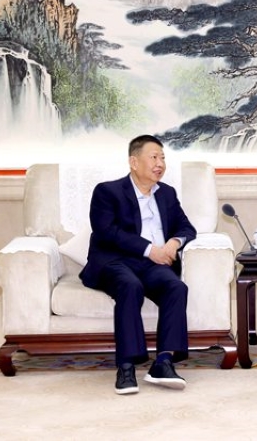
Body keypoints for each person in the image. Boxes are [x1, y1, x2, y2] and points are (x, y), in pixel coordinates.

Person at [80, 134, 197, 395]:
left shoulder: (166, 193)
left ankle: (163, 362)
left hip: (153, 264)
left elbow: (187, 227)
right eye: (154, 157)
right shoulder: (107, 191)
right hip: (115, 261)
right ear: (134, 162)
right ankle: (126, 366)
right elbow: (106, 231)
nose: (160, 164)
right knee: (130, 286)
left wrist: (173, 244)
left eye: (163, 158)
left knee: (176, 287)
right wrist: (150, 250)